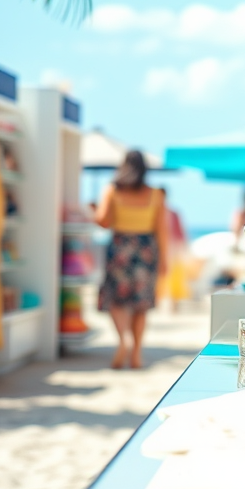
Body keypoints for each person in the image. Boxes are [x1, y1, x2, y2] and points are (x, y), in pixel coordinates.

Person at [94, 150, 168, 369]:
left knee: (116, 299)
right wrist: (164, 260)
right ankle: (136, 353)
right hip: (145, 251)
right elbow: (161, 230)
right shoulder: (155, 195)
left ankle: (123, 340)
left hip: (120, 249)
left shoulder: (112, 190)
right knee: (141, 304)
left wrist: (93, 211)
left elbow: (103, 221)